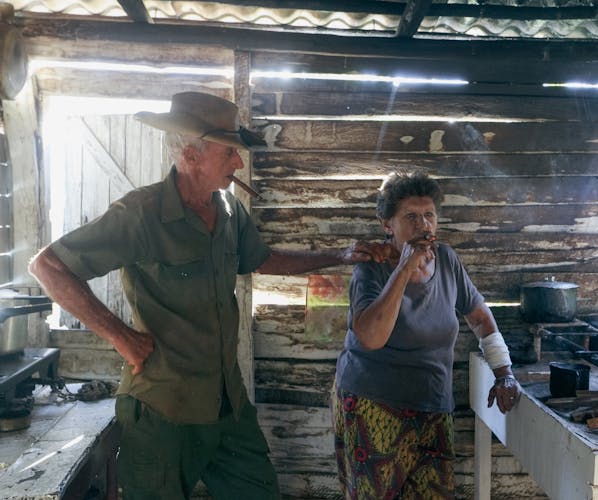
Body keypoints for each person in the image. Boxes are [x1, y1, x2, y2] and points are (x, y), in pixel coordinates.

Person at [27, 91, 380, 500]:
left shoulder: (229, 211)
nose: (238, 162)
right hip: (163, 411)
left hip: (227, 405)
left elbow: (261, 259)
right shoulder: (141, 213)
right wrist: (121, 338)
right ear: (190, 157)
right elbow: (48, 266)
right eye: (229, 152)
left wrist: (339, 255)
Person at [331, 172, 520, 499]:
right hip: (373, 407)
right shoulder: (372, 268)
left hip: (433, 408)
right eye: (411, 217)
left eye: (429, 215)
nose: (424, 225)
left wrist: (504, 373)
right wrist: (405, 268)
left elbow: (479, 317)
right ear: (387, 224)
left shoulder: (446, 259)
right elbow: (371, 337)